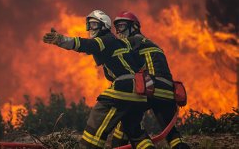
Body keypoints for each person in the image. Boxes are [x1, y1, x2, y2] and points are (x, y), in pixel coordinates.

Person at [43, 10, 155, 149]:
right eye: (89, 25)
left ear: (104, 26)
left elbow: (87, 45)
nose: (90, 28)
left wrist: (61, 40)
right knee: (134, 131)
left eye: (94, 24)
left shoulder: (105, 39)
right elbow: (140, 65)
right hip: (139, 93)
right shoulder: (121, 43)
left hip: (124, 88)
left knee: (96, 120)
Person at [110, 11, 190, 149]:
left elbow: (125, 68)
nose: (118, 31)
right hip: (167, 91)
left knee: (131, 126)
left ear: (134, 27)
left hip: (149, 88)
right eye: (116, 28)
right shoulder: (153, 44)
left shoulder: (129, 43)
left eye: (122, 26)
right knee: (172, 134)